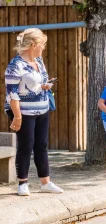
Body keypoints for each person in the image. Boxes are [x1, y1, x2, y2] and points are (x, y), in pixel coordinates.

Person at [6, 28, 63, 196]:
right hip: (24, 111)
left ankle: (45, 182)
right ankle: (23, 182)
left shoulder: (39, 61)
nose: (43, 48)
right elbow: (12, 92)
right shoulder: (15, 65)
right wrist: (17, 116)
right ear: (33, 45)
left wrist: (45, 85)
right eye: (42, 44)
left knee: (42, 146)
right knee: (26, 146)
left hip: (42, 108)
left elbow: (38, 81)